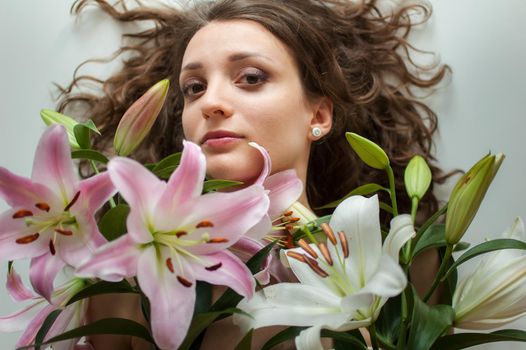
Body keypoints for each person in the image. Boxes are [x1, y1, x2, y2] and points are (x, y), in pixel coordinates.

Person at [57, 0, 449, 348]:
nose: (210, 102)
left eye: (251, 77)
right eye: (194, 87)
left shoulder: (405, 267)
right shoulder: (125, 283)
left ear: (319, 115)